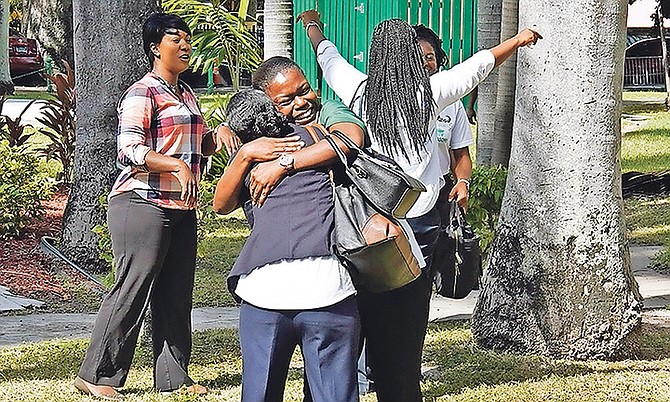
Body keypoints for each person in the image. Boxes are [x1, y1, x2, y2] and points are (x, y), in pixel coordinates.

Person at [296, 11, 541, 401]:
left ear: (377, 58)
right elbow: (480, 65)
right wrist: (519, 39)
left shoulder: (358, 90)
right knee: (406, 324)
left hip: (366, 222)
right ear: (411, 57)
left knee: (357, 308)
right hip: (419, 224)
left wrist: (313, 26)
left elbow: (329, 57)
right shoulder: (434, 92)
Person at [73, 13, 230, 399]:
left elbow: (192, 147)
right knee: (133, 286)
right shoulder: (143, 92)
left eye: (188, 38)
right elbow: (128, 149)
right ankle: (97, 375)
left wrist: (216, 137)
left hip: (181, 208)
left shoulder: (186, 94)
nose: (186, 45)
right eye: (176, 39)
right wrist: (175, 165)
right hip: (141, 202)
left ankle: (173, 376)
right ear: (154, 48)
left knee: (176, 293)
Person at [213, 60, 368, 402]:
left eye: (303, 90)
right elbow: (350, 140)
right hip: (327, 294)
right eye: (286, 100)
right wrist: (247, 153)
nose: (300, 103)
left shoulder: (261, 150)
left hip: (264, 295)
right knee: (335, 395)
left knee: (260, 393)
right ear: (268, 104)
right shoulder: (321, 138)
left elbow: (221, 205)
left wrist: (259, 158)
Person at [413, 24, 473, 215]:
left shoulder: (452, 104)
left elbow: (461, 153)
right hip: (402, 192)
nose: (423, 63)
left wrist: (462, 182)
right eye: (415, 58)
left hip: (440, 193)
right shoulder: (391, 100)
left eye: (429, 57)